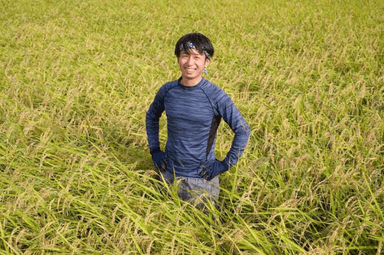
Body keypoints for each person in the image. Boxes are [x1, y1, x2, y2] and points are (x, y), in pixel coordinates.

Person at [146, 33, 250, 206]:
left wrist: (225, 165)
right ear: (178, 58)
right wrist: (154, 149)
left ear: (206, 62)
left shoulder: (215, 96)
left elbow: (243, 130)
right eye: (185, 56)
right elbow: (151, 116)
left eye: (196, 57)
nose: (189, 63)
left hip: (200, 181)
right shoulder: (168, 91)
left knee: (201, 231)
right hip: (167, 174)